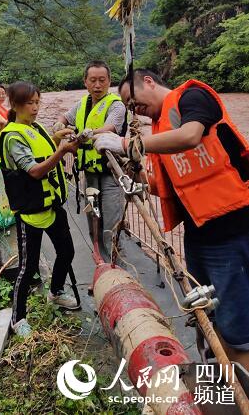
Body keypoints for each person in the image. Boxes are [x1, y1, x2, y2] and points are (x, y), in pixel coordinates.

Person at [93, 69, 249, 370]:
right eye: (127, 106)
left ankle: (241, 387)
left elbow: (191, 136)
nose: (133, 109)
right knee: (208, 311)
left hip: (232, 231)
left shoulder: (192, 97)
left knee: (237, 322)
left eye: (132, 100)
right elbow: (163, 184)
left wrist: (126, 145)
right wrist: (130, 168)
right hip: (199, 235)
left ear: (149, 82)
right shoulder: (159, 129)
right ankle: (221, 375)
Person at [0, 81, 80, 337]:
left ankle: (56, 292)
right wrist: (63, 151)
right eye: (29, 104)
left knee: (66, 252)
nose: (34, 108)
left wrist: (58, 138)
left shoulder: (35, 128)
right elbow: (33, 170)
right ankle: (17, 318)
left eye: (37, 102)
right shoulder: (12, 136)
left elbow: (43, 148)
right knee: (28, 267)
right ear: (16, 105)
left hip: (52, 206)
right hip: (30, 213)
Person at [54, 60, 126, 237]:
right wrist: (59, 124)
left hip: (111, 172)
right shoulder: (82, 104)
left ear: (110, 81)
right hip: (89, 172)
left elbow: (110, 128)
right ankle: (99, 260)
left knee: (111, 226)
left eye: (102, 80)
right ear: (85, 81)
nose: (97, 85)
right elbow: (65, 116)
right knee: (93, 221)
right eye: (93, 80)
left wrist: (89, 133)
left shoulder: (116, 105)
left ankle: (114, 261)